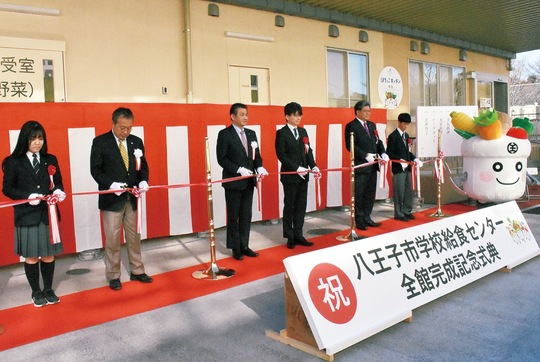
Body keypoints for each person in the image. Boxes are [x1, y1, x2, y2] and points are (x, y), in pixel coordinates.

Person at [2, 121, 66, 307]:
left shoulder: (50, 159)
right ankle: (35, 291)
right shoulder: (13, 162)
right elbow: (7, 189)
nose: (37, 142)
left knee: (48, 255)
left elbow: (58, 182)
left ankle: (48, 289)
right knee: (31, 256)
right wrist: (28, 196)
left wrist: (58, 192)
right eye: (33, 138)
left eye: (40, 138)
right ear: (25, 140)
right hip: (26, 216)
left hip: (48, 215)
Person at [90, 107, 152, 291]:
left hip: (132, 199)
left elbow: (143, 167)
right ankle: (113, 274)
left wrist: (143, 182)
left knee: (134, 237)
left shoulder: (136, 142)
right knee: (113, 238)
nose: (126, 131)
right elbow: (95, 170)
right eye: (122, 127)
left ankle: (137, 270)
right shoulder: (100, 142)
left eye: (129, 128)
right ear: (113, 124)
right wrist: (111, 185)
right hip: (112, 200)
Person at [216, 103, 269, 260]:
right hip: (233, 181)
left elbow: (256, 156)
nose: (245, 117)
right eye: (241, 114)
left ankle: (244, 245)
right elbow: (222, 158)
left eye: (246, 114)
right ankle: (235, 247)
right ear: (232, 116)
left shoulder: (252, 134)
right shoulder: (225, 134)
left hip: (249, 182)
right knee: (234, 215)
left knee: (246, 214)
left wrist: (259, 167)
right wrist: (238, 169)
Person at [275, 102, 320, 249]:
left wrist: (313, 165)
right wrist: (296, 168)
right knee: (290, 206)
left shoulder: (303, 132)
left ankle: (299, 234)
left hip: (304, 175)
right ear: (287, 116)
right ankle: (290, 236)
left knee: (301, 206)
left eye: (299, 115)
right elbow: (281, 155)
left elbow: (308, 151)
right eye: (295, 115)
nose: (298, 118)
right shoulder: (281, 133)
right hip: (290, 176)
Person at [344, 100, 389, 230]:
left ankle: (367, 217)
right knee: (360, 194)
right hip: (361, 165)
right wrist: (365, 155)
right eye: (365, 111)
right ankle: (360, 220)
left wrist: (383, 153)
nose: (368, 113)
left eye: (369, 111)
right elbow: (350, 145)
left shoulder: (371, 125)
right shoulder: (351, 126)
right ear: (357, 112)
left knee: (370, 193)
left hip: (373, 165)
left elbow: (377, 141)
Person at [386, 113, 423, 221]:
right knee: (399, 191)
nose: (406, 126)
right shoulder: (393, 136)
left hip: (408, 168)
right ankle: (398, 213)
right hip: (398, 168)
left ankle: (407, 210)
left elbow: (408, 152)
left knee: (408, 190)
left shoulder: (406, 136)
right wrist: (400, 160)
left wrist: (414, 158)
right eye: (404, 124)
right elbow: (390, 152)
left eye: (407, 124)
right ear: (399, 122)